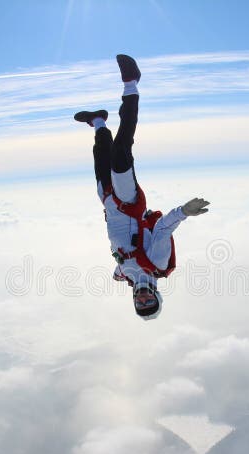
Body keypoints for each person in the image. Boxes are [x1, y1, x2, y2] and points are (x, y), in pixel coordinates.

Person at [74, 54, 210, 320]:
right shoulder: (157, 265)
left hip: (110, 205)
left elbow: (118, 269)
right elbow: (162, 229)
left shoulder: (125, 275)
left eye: (140, 304)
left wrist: (118, 273)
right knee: (120, 154)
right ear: (157, 296)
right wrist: (184, 211)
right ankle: (131, 84)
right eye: (149, 301)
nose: (143, 298)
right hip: (128, 203)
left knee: (101, 159)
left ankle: (98, 121)